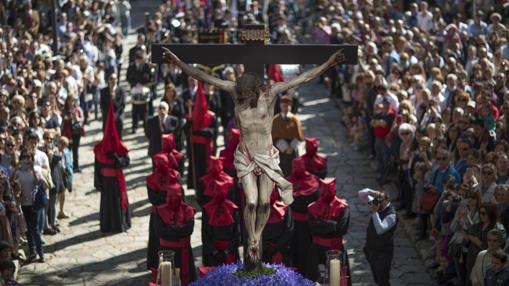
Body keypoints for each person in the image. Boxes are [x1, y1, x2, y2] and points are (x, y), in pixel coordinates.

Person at [163, 47, 345, 267]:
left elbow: (303, 77)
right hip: (246, 155)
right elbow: (202, 75)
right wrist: (178, 61)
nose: (245, 95)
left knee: (264, 202)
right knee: (250, 202)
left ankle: (256, 235)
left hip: (267, 154)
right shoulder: (235, 92)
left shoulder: (271, 94)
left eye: (248, 92)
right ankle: (252, 238)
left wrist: (328, 64)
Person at [94, 103, 131, 233]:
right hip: (106, 181)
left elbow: (127, 162)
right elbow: (97, 168)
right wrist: (98, 183)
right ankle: (108, 226)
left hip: (117, 180)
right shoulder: (100, 149)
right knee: (107, 206)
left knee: (118, 202)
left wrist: (117, 159)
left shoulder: (120, 148)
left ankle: (120, 224)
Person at [307, 178, 350, 282]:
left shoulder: (342, 207)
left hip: (335, 249)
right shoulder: (312, 207)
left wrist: (321, 225)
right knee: (318, 279)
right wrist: (332, 225)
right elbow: (312, 228)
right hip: (317, 251)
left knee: (336, 280)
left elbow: (342, 229)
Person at [146, 153, 181, 272]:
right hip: (169, 211)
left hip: (161, 212)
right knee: (159, 239)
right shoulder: (175, 175)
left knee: (162, 239)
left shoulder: (152, 178)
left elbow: (153, 199)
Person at [155, 188, 197, 285]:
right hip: (167, 252)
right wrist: (179, 230)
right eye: (171, 196)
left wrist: (170, 230)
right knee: (167, 280)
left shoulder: (188, 210)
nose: (174, 199)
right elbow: (160, 231)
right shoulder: (160, 211)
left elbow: (189, 230)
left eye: (177, 196)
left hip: (184, 252)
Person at [358, 189, 398, 286]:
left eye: (381, 199)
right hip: (371, 249)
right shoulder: (378, 203)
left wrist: (375, 212)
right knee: (377, 277)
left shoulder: (391, 215)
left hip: (383, 252)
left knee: (382, 279)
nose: (378, 201)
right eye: (378, 198)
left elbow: (380, 230)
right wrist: (373, 192)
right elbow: (361, 194)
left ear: (388, 200)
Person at [287, 157, 319, 274]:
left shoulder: (287, 182)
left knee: (299, 251)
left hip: (298, 224)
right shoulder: (313, 181)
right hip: (305, 224)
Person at [187, 82, 218, 191]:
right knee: (197, 170)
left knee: (206, 169)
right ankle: (197, 189)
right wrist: (189, 123)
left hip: (206, 148)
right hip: (195, 148)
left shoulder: (212, 116)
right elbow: (187, 131)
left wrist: (200, 131)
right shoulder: (192, 117)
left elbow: (214, 132)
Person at [202, 180, 240, 266]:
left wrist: (227, 251)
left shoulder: (233, 209)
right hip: (212, 254)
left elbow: (236, 233)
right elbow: (205, 234)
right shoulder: (207, 209)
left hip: (230, 252)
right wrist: (214, 251)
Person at [272, 95, 304, 177]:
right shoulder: (275, 120)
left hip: (293, 148)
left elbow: (298, 135)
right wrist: (285, 148)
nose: (286, 108)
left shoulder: (295, 119)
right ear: (280, 106)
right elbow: (274, 137)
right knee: (283, 169)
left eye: (288, 106)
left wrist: (292, 147)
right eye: (284, 106)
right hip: (281, 149)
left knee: (294, 168)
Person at [262, 188, 293, 265]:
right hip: (263, 251)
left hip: (281, 250)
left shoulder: (286, 208)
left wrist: (276, 246)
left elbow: (289, 230)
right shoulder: (258, 210)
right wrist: (265, 246)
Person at [126, 51, 154, 134]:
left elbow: (151, 78)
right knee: (135, 110)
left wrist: (144, 83)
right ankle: (134, 126)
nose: (142, 61)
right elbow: (128, 77)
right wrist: (135, 83)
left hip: (144, 90)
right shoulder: (131, 66)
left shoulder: (146, 66)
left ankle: (146, 128)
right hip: (135, 90)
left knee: (145, 110)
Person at [61, 95, 84, 173]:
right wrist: (67, 118)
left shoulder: (77, 109)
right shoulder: (64, 110)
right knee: (68, 150)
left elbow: (82, 118)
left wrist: (77, 118)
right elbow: (63, 119)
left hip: (76, 132)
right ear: (67, 101)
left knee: (75, 149)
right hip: (68, 133)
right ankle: (68, 165)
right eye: (71, 100)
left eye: (73, 100)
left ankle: (76, 166)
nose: (72, 102)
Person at [100, 73, 126, 140]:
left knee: (119, 123)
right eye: (111, 79)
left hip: (117, 114)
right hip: (107, 114)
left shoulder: (121, 90)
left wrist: (116, 114)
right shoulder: (104, 91)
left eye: (114, 79)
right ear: (108, 80)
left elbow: (122, 104)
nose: (112, 81)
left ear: (117, 80)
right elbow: (102, 104)